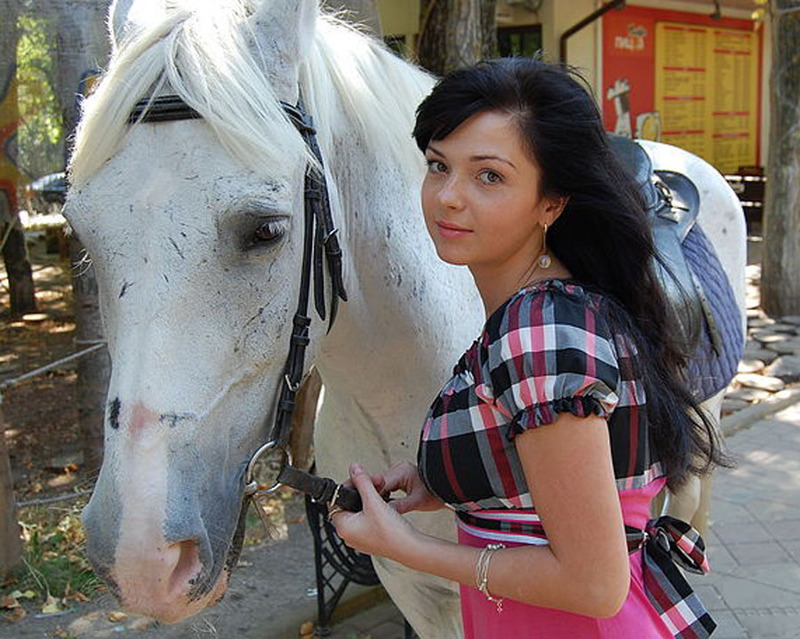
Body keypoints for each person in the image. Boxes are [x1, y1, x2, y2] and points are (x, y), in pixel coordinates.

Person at [330, 58, 726, 638]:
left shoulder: (539, 333)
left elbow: (594, 585)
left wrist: (406, 547)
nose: (448, 197)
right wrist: (441, 481)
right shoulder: (560, 307)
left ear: (551, 203)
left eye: (489, 176)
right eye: (438, 166)